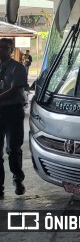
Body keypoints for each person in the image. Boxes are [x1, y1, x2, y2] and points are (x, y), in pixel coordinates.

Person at [0, 38, 27, 198]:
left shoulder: (18, 68)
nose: (1, 50)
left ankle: (18, 180)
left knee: (13, 149)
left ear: (12, 50)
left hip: (12, 112)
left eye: (5, 48)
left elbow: (15, 89)